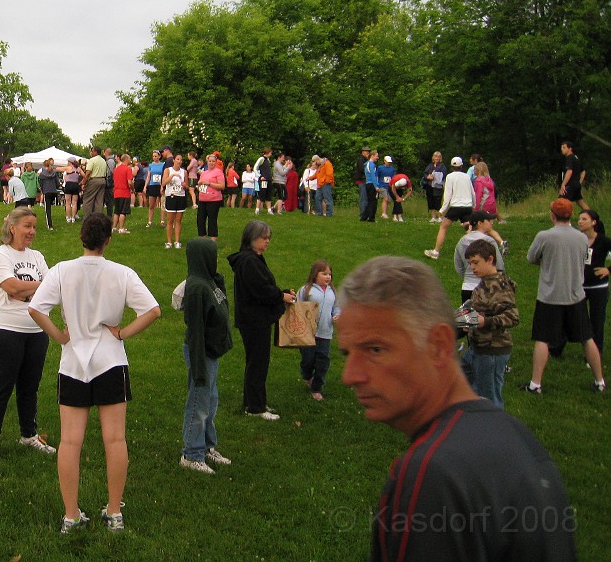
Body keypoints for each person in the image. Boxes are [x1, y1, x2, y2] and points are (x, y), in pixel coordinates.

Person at [336, 256, 576, 561]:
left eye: (375, 349)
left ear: (438, 345)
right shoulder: (514, 435)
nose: (349, 375)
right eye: (347, 353)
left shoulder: (433, 474)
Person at [29, 213, 161, 534]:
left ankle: (71, 515)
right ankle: (114, 511)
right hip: (110, 361)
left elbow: (35, 308)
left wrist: (60, 337)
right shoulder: (122, 273)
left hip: (73, 362)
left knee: (70, 442)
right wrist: (122, 333)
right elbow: (153, 311)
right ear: (108, 241)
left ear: (81, 238)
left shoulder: (62, 270)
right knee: (115, 439)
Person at [0, 207, 55, 464]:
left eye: (34, 227)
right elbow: (11, 287)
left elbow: (52, 289)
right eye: (27, 226)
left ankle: (29, 434)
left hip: (36, 331)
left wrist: (25, 291)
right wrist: (36, 288)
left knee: (29, 388)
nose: (32, 232)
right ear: (12, 227)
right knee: (0, 388)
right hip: (3, 330)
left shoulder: (37, 256)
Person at [521, 199, 606, 394]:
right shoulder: (582, 237)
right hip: (576, 296)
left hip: (549, 297)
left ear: (552, 215)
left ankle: (535, 384)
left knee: (542, 338)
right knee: (587, 337)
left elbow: (531, 258)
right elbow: (583, 258)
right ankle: (599, 381)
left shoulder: (544, 236)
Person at [227, 221, 292, 421]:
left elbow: (263, 286)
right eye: (263, 238)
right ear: (252, 238)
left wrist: (281, 293)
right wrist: (281, 297)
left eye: (268, 238)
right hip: (254, 320)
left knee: (256, 362)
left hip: (254, 319)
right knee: (258, 363)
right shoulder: (249, 262)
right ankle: (255, 407)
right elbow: (260, 290)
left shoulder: (253, 259)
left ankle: (254, 402)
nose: (267, 242)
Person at [180, 237, 234, 474]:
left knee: (210, 401)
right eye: (213, 256)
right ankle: (192, 454)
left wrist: (218, 279)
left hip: (211, 351)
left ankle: (207, 446)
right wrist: (199, 366)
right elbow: (195, 331)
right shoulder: (196, 288)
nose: (217, 260)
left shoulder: (209, 282)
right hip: (201, 352)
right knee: (199, 402)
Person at [461, 239, 519, 409]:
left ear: (490, 259)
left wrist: (485, 322)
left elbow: (512, 317)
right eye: (470, 263)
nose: (472, 267)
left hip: (492, 350)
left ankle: (495, 430)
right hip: (476, 347)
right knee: (461, 382)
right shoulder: (483, 283)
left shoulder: (500, 285)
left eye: (476, 262)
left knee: (489, 399)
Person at [297, 260, 339, 401]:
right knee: (308, 359)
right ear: (315, 275)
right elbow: (297, 306)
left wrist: (336, 315)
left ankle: (316, 388)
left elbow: (337, 307)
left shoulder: (332, 292)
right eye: (324, 273)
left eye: (330, 274)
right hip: (307, 333)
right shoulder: (306, 290)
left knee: (323, 361)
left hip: (325, 332)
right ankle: (307, 375)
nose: (328, 277)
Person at [424, 156, 473, 260]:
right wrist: (474, 205)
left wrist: (442, 210)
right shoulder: (467, 177)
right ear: (461, 166)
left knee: (443, 227)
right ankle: (475, 250)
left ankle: (435, 252)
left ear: (451, 166)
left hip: (456, 206)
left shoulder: (450, 177)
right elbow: (472, 193)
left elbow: (447, 195)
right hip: (467, 206)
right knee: (468, 227)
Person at [578, 209, 610, 358]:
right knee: (574, 317)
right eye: (579, 219)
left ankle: (595, 354)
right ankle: (555, 349)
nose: (580, 221)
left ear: (593, 222)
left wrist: (608, 270)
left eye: (584, 219)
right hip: (579, 286)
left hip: (598, 287)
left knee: (597, 321)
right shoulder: (577, 239)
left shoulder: (603, 241)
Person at [454, 211, 505, 302]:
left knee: (470, 316)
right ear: (480, 223)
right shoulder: (489, 241)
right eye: (488, 220)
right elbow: (499, 265)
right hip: (487, 287)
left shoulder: (462, 241)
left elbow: (458, 266)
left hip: (467, 287)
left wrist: (467, 277)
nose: (492, 222)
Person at [196, 154, 225, 241]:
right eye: (210, 161)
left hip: (214, 200)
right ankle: (203, 239)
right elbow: (200, 183)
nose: (211, 163)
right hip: (202, 199)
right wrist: (199, 186)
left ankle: (212, 241)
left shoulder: (218, 172)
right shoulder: (204, 172)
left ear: (216, 162)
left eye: (213, 161)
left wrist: (209, 183)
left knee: (212, 220)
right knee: (200, 220)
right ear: (207, 162)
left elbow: (222, 186)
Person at [161, 153, 188, 249]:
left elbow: (187, 186)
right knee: (170, 220)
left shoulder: (184, 172)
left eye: (181, 160)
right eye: (177, 159)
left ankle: (177, 241)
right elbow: (163, 183)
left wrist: (185, 185)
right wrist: (172, 176)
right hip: (171, 196)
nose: (179, 161)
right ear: (174, 160)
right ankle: (169, 242)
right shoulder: (168, 170)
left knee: (178, 220)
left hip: (181, 196)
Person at [559, 140, 590, 211]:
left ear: (570, 149)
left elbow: (569, 171)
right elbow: (583, 171)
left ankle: (563, 220)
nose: (562, 149)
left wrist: (563, 184)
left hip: (570, 184)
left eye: (564, 147)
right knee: (580, 202)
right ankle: (592, 217)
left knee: (560, 202)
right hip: (576, 184)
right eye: (561, 148)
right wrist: (579, 182)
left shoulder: (569, 158)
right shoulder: (576, 158)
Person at [80, 146, 107, 219]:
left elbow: (88, 173)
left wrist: (83, 183)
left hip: (93, 180)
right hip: (102, 180)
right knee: (99, 201)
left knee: (88, 200)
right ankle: (98, 219)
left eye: (91, 151)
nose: (90, 153)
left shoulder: (92, 160)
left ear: (95, 152)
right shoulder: (103, 161)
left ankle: (87, 219)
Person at [111, 153, 133, 234]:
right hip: (125, 192)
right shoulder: (128, 169)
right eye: (129, 159)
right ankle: (121, 228)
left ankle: (114, 227)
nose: (130, 160)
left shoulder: (116, 169)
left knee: (117, 211)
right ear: (126, 159)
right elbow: (129, 182)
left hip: (116, 192)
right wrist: (133, 189)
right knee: (123, 211)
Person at [38, 159, 61, 231]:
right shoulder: (54, 173)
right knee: (50, 205)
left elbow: (41, 184)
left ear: (44, 166)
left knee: (48, 209)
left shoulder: (42, 175)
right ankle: (50, 225)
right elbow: (57, 183)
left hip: (47, 191)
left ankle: (50, 225)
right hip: (53, 191)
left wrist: (42, 190)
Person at [423, 151, 446, 223]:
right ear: (433, 157)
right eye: (435, 156)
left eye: (438, 157)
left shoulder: (442, 166)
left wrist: (436, 176)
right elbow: (425, 173)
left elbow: (444, 174)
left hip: (437, 186)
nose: (437, 158)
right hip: (429, 186)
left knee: (438, 201)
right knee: (431, 201)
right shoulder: (430, 165)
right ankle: (433, 217)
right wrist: (427, 177)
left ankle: (440, 216)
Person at [144, 150, 165, 227]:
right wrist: (145, 186)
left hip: (160, 185)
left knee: (162, 204)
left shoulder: (163, 164)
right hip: (152, 185)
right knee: (151, 205)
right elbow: (149, 176)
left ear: (159, 156)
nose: (154, 158)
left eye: (156, 156)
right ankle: (150, 221)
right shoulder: (151, 165)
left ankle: (162, 221)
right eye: (153, 156)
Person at [360, 150, 379, 222]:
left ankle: (364, 217)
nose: (377, 157)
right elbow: (373, 176)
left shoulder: (367, 164)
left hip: (368, 184)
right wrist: (376, 186)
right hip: (371, 184)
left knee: (370, 201)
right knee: (373, 201)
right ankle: (371, 218)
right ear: (372, 156)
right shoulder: (371, 164)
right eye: (376, 156)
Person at [63, 158, 81, 222]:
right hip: (75, 185)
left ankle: (68, 217)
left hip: (68, 185)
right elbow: (83, 175)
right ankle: (73, 217)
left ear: (70, 162)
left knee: (68, 203)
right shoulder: (78, 169)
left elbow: (65, 179)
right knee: (74, 203)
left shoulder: (68, 169)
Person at [355, 145, 370, 219]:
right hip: (362, 180)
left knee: (365, 197)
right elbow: (362, 169)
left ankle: (365, 213)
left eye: (368, 151)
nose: (367, 153)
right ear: (362, 152)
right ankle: (363, 214)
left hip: (364, 180)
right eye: (366, 151)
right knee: (363, 197)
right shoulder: (361, 159)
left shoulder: (366, 160)